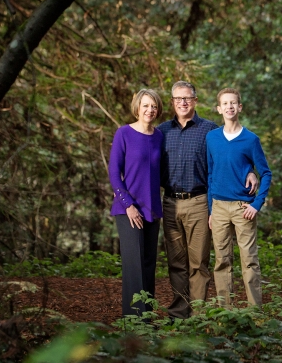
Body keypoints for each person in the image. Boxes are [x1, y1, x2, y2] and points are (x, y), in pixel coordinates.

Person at [159, 81, 258, 319]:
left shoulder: (210, 130)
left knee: (198, 262)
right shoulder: (162, 131)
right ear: (172, 102)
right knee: (176, 262)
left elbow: (227, 157)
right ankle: (179, 313)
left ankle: (199, 314)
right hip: (170, 202)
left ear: (195, 101)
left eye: (187, 98)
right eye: (178, 99)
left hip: (199, 201)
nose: (183, 102)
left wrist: (250, 171)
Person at [207, 88, 272, 307]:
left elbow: (266, 173)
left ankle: (256, 311)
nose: (229, 107)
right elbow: (210, 173)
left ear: (240, 107)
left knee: (249, 261)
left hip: (242, 207)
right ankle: (226, 312)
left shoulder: (250, 140)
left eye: (233, 103)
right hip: (218, 207)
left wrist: (257, 204)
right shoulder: (212, 138)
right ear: (219, 109)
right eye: (225, 103)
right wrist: (210, 210)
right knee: (222, 261)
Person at [108, 89, 164, 317]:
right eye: (146, 106)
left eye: (154, 106)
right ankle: (134, 321)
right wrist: (127, 204)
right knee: (134, 267)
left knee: (149, 265)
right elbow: (114, 172)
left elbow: (162, 172)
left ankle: (147, 318)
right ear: (137, 108)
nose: (150, 110)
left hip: (152, 207)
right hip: (129, 208)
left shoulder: (159, 136)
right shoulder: (124, 133)